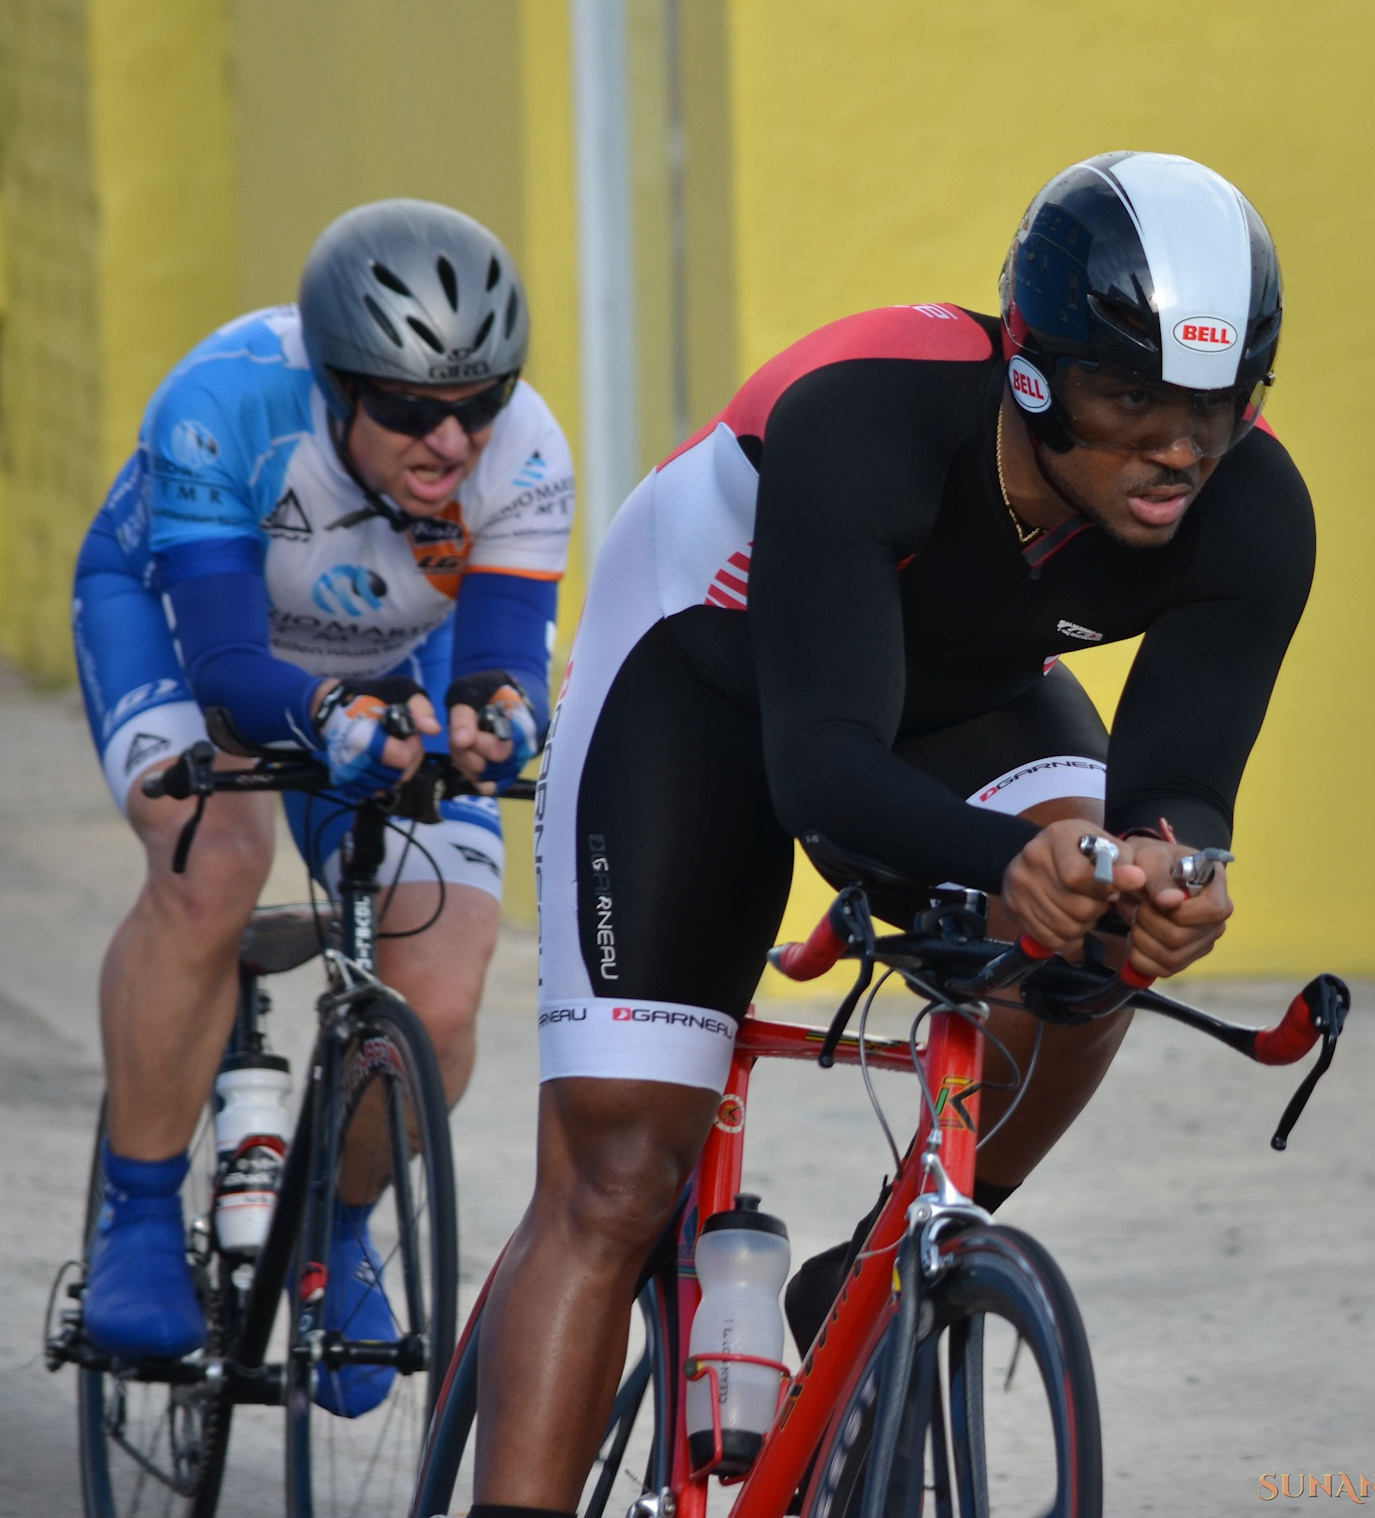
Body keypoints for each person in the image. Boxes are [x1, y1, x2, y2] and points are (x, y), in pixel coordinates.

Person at [469, 151, 1310, 1514]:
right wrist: (1004, 863)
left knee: (1096, 930)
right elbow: (820, 771)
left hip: (953, 695)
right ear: (1033, 371)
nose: (1179, 446)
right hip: (706, 679)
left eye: (1217, 406)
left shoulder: (1255, 513)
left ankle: (885, 1258)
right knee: (619, 1174)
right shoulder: (871, 414)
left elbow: (1176, 795)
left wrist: (1173, 874)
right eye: (1133, 396)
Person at [72, 199, 572, 1416]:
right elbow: (234, 670)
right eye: (408, 409)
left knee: (443, 997)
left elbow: (502, 653)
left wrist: (498, 719)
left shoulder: (529, 451)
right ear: (337, 384)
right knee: (212, 860)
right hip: (190, 623)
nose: (452, 439)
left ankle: (331, 1230)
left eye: (480, 402)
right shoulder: (224, 403)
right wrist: (339, 726)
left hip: (399, 647)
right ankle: (139, 1217)